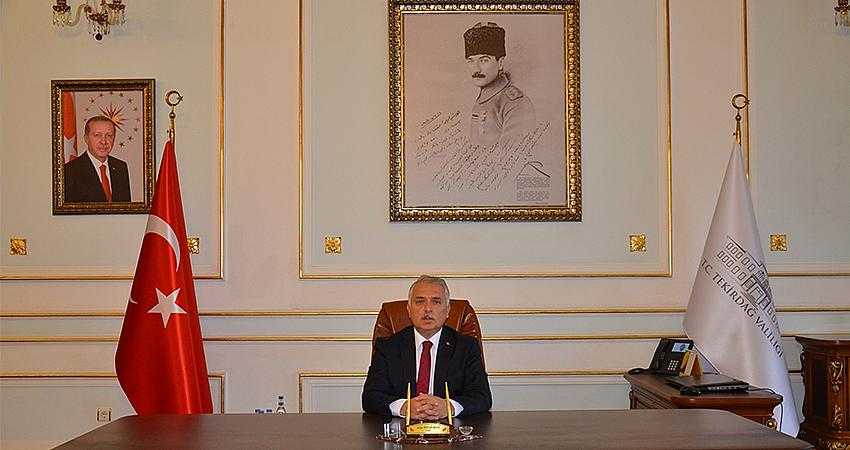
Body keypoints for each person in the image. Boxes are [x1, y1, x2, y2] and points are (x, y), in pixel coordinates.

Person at [362, 275, 492, 419]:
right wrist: (404, 407)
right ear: (409, 310)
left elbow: (482, 397)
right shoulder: (388, 347)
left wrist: (449, 407)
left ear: (447, 310)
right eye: (420, 301)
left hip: (450, 429)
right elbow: (370, 397)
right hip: (402, 429)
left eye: (436, 301)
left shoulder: (466, 347)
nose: (428, 309)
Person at [464, 21, 536, 148]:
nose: (476, 69)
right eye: (471, 61)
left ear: (500, 63)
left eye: (484, 60)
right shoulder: (482, 98)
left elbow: (513, 156)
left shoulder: (515, 104)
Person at [64, 115, 131, 203]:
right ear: (86, 139)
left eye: (109, 135)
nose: (103, 141)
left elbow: (126, 207)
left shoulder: (120, 167)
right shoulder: (70, 171)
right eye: (97, 135)